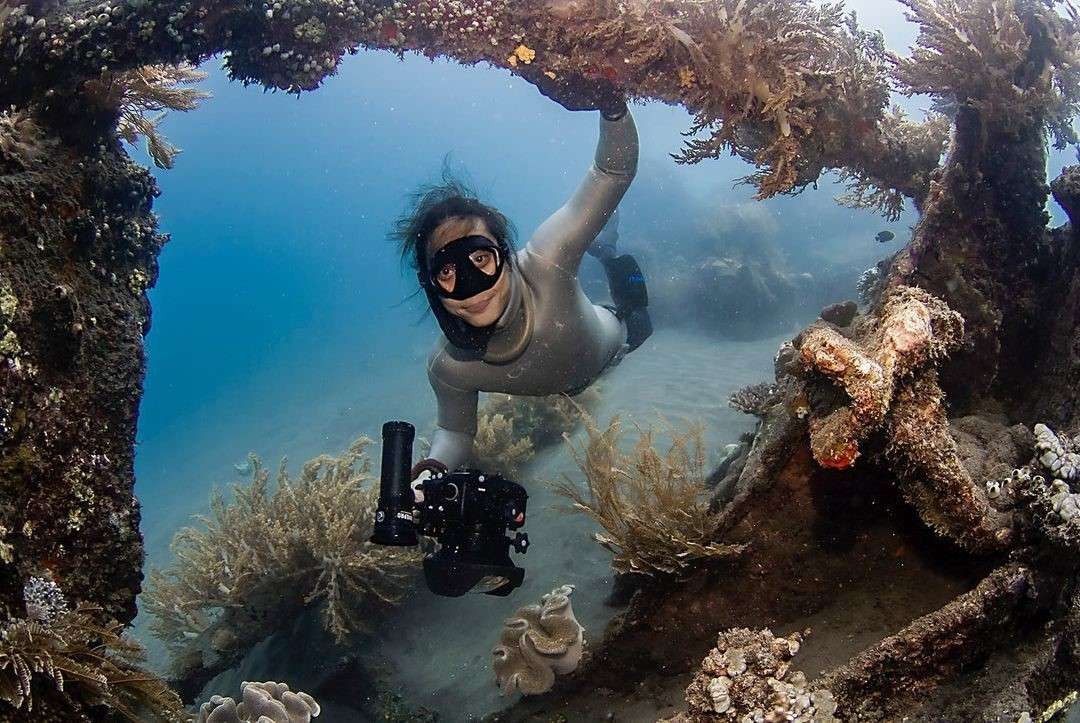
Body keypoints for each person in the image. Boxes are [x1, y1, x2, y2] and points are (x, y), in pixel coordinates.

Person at [390, 73, 651, 485]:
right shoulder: (450, 369)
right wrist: (429, 475)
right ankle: (602, 248)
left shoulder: (547, 260)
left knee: (638, 323)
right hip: (571, 369)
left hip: (615, 340)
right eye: (447, 271)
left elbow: (612, 172)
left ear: (507, 256)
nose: (471, 287)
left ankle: (608, 252)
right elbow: (456, 432)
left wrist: (612, 102)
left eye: (480, 257)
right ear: (430, 287)